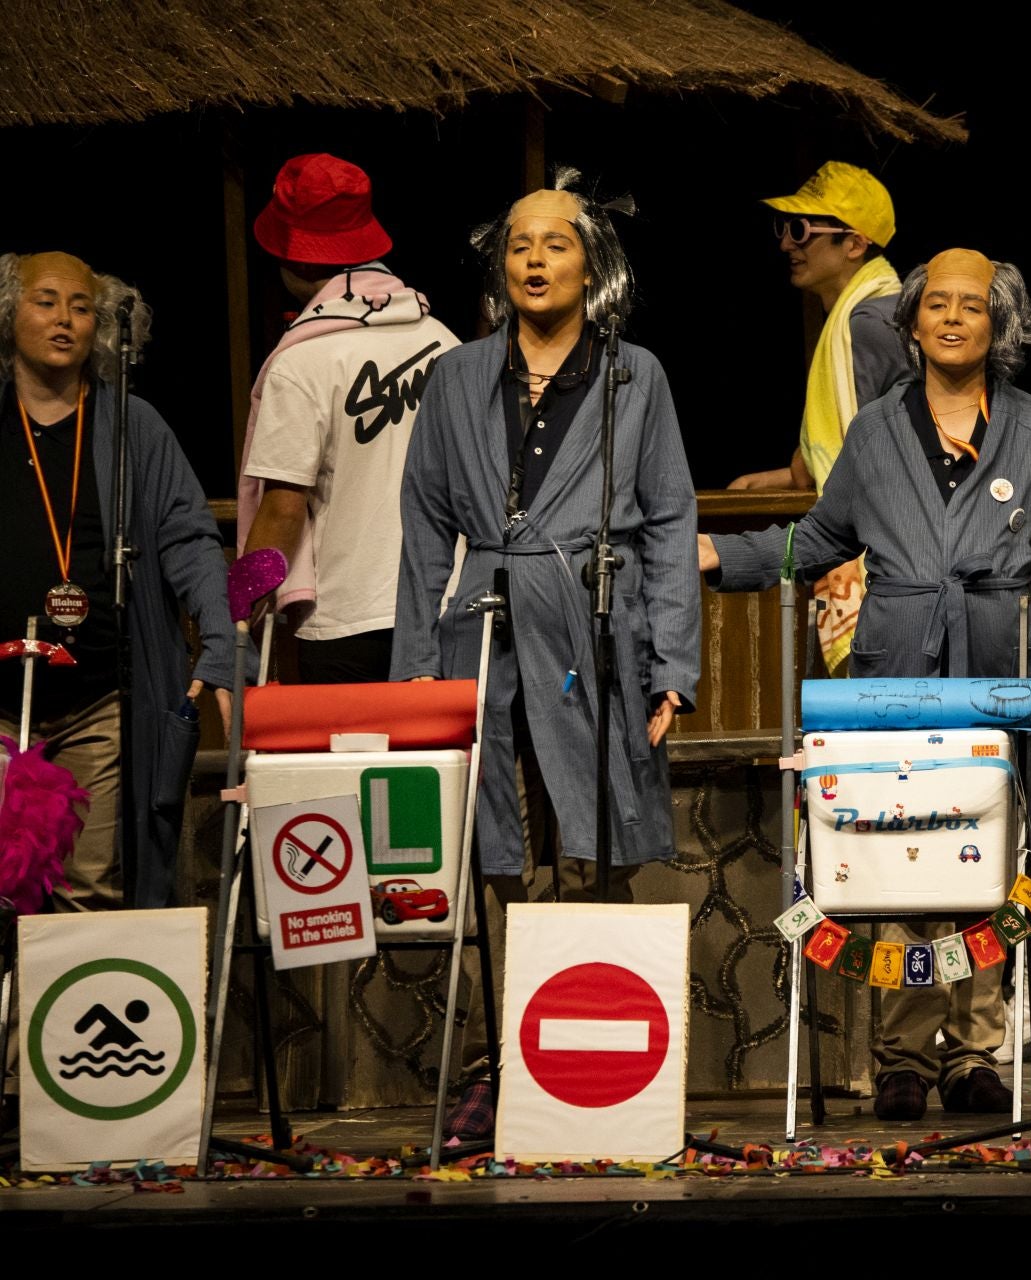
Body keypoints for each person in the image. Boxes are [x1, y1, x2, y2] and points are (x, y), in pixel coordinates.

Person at [700, 249, 1031, 1122]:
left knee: (993, 858)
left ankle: (973, 1051)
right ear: (913, 321)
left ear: (999, 324)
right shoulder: (878, 429)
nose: (954, 317)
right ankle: (900, 1055)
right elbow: (816, 540)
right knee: (903, 851)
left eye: (973, 304)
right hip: (897, 670)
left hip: (1004, 667)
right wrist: (720, 556)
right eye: (938, 304)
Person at [391, 176, 700, 1140]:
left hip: (588, 631)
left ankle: (588, 1049)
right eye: (518, 244)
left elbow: (668, 522)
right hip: (481, 629)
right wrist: (414, 675)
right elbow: (420, 525)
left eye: (555, 244)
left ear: (591, 263)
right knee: (493, 855)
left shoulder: (633, 376)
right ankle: (497, 1063)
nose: (533, 259)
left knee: (591, 842)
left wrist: (672, 665)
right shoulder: (453, 378)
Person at [0, 251, 235, 910]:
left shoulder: (136, 427)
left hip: (97, 703)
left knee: (91, 888)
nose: (65, 320)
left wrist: (220, 648)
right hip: (2, 704)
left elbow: (190, 541)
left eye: (81, 307)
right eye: (46, 302)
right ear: (9, 312)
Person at [239, 153, 461, 683]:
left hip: (347, 620)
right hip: (449, 609)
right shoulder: (444, 342)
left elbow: (283, 509)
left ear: (297, 260)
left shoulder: (302, 363)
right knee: (441, 769)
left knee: (355, 770)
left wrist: (240, 610)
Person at [729, 161, 913, 678]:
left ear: (854, 243)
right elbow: (849, 433)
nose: (787, 243)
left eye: (802, 229)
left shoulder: (872, 322)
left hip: (887, 561)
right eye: (784, 228)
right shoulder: (859, 317)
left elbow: (894, 445)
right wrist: (788, 476)